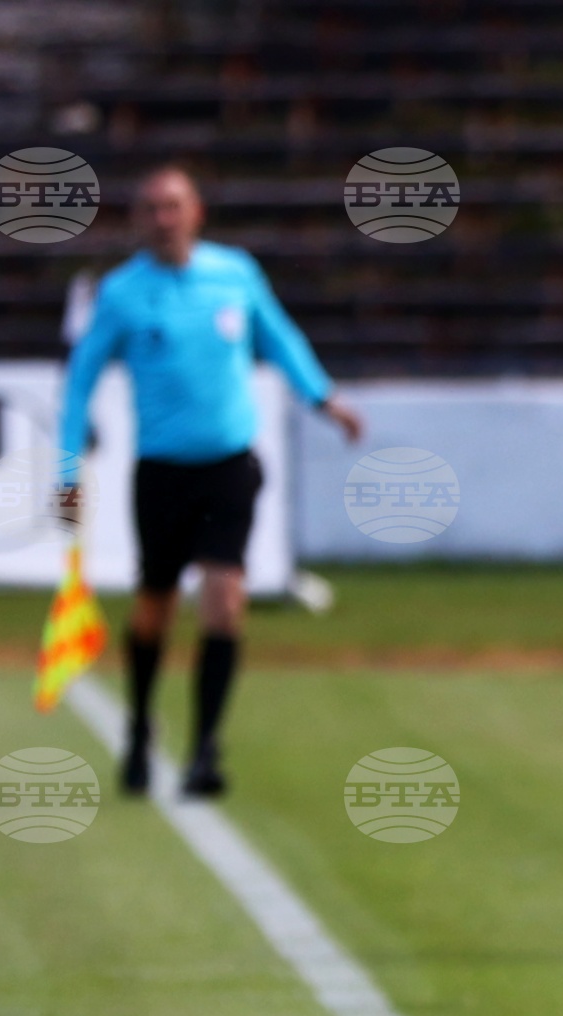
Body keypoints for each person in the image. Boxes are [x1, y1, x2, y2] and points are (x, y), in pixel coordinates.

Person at [57, 164, 363, 797]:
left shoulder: (235, 274)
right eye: (151, 208)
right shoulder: (122, 293)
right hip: (162, 473)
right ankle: (140, 726)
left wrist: (323, 398)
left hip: (228, 466)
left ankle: (204, 749)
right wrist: (66, 468)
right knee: (156, 609)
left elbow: (278, 337)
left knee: (225, 598)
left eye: (173, 206)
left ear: (196, 212)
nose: (163, 219)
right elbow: (81, 378)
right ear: (138, 220)